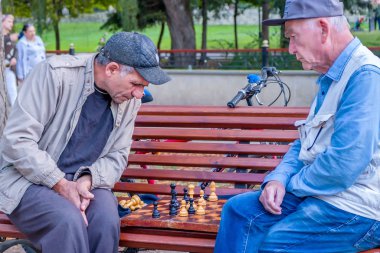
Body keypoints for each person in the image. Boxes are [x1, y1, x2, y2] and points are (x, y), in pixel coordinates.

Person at [214, 0, 380, 252]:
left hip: (359, 206)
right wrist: (277, 180)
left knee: (275, 245)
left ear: (323, 29)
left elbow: (343, 166)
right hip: (324, 193)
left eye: (293, 37)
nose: (290, 48)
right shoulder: (332, 75)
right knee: (238, 212)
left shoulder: (365, 76)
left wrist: (289, 185)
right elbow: (305, 142)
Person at [0, 32, 171, 253]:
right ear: (111, 69)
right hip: (28, 180)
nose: (140, 94)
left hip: (83, 181)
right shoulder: (54, 75)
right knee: (67, 221)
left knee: (106, 220)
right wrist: (61, 184)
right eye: (136, 83)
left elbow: (117, 156)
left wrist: (87, 181)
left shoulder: (130, 100)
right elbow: (18, 140)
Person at [2, 14, 18, 106]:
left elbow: (16, 49)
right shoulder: (8, 37)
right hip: (1, 69)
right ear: (2, 22)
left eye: (12, 22)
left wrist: (15, 57)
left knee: (13, 94)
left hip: (9, 69)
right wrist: (8, 38)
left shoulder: (10, 36)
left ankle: (16, 117)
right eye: (9, 21)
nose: (11, 24)